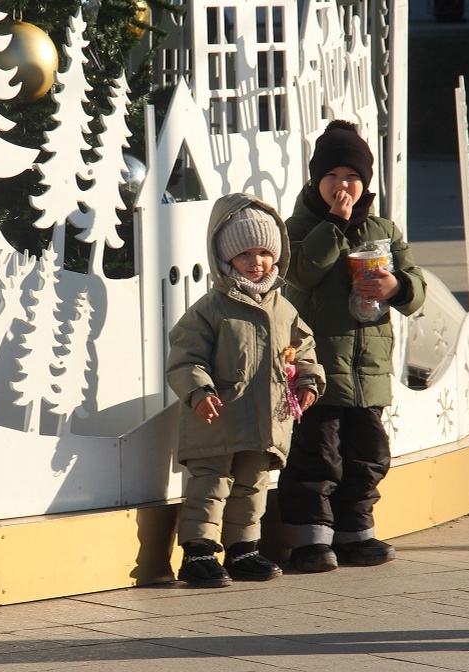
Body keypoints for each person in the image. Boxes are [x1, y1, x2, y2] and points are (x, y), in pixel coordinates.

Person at [277, 119, 427, 571]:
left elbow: (416, 291)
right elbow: (299, 274)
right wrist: (335, 226)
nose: (342, 186)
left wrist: (395, 285)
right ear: (315, 180)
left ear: (365, 182)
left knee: (366, 456)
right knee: (316, 456)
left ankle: (356, 534)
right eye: (332, 177)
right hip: (319, 368)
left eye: (352, 177)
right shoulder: (297, 226)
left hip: (369, 368)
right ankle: (311, 541)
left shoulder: (383, 229)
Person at [166, 192, 326, 588]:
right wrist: (199, 391)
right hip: (218, 419)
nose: (257, 263)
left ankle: (244, 549)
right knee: (211, 483)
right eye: (245, 255)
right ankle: (198, 551)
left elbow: (303, 350)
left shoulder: (283, 308)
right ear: (226, 260)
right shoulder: (210, 309)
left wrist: (308, 380)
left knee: (253, 486)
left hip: (264, 421)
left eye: (264, 254)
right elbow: (186, 356)